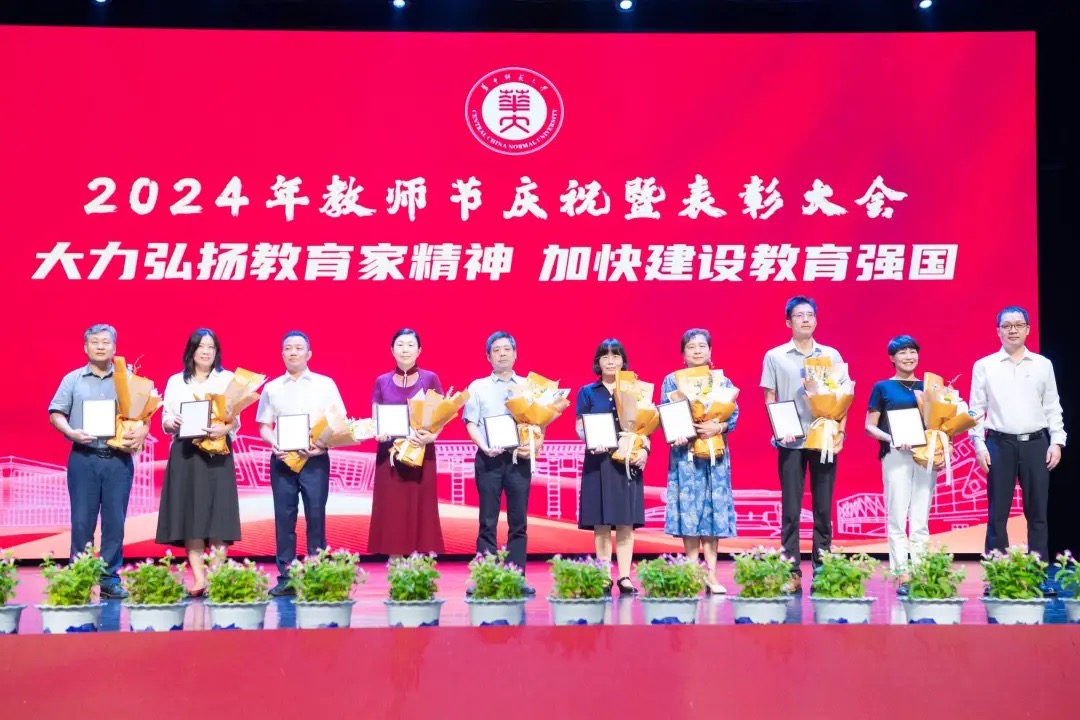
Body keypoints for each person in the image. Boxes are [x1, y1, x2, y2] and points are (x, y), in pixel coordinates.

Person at [48, 324, 149, 599]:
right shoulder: (73, 379)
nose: (101, 346)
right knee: (82, 521)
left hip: (118, 460)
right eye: (95, 342)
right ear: (86, 347)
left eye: (106, 342)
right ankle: (80, 579)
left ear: (115, 348)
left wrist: (142, 431)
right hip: (84, 458)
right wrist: (70, 432)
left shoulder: (129, 380)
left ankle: (109, 579)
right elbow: (56, 412)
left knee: (115, 523)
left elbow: (145, 416)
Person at [970, 306, 1065, 590]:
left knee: (1037, 514)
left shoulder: (1043, 364)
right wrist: (979, 445)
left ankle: (1039, 576)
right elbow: (976, 409)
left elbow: (1052, 406)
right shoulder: (984, 365)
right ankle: (997, 576)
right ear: (998, 331)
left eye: (1018, 324)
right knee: (997, 515)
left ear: (1028, 329)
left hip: (1036, 444)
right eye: (1007, 325)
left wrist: (1057, 441)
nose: (1013, 330)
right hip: (999, 444)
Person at [760, 296, 847, 590]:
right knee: (791, 509)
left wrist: (840, 432)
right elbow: (769, 397)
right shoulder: (775, 356)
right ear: (789, 322)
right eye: (799, 315)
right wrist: (779, 429)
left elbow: (843, 397)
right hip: (791, 441)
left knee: (823, 507)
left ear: (816, 320)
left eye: (810, 314)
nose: (806, 319)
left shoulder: (831, 355)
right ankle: (791, 570)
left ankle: (823, 569)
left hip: (823, 439)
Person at [256, 331, 346, 597]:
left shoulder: (325, 384)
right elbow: (264, 425)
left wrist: (322, 445)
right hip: (283, 460)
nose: (293, 352)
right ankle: (287, 576)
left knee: (316, 516)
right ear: (282, 354)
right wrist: (274, 443)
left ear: (309, 354)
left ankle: (318, 574)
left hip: (314, 459)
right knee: (284, 518)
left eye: (298, 348)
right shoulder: (272, 388)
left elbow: (339, 420)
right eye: (288, 348)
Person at [155, 329, 242, 596]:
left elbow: (235, 419)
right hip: (186, 453)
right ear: (191, 351)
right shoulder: (176, 381)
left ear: (217, 352)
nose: (206, 351)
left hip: (218, 452)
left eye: (211, 347)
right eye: (201, 346)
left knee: (219, 516)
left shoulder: (228, 379)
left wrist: (224, 429)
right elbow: (165, 419)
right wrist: (171, 422)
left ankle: (216, 578)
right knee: (190, 515)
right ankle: (199, 579)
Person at [662, 328, 737, 595]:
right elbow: (667, 413)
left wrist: (718, 427)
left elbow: (733, 416)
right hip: (686, 455)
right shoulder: (672, 381)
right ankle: (693, 570)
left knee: (713, 510)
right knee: (690, 510)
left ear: (710, 351)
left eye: (702, 346)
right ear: (683, 354)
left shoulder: (721, 381)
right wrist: (680, 432)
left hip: (715, 455)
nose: (697, 350)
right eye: (691, 346)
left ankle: (711, 573)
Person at [462, 331, 537, 596]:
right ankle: (487, 576)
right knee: (487, 520)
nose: (502, 354)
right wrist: (484, 446)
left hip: (519, 460)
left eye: (507, 349)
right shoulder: (477, 387)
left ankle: (516, 577)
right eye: (496, 350)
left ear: (515, 354)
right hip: (489, 459)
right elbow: (471, 422)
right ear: (488, 357)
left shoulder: (529, 386)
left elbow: (538, 423)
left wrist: (533, 445)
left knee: (519, 521)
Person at [575, 339, 647, 596]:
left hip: (626, 461)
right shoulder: (587, 392)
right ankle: (604, 575)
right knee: (601, 524)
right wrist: (590, 440)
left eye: (615, 356)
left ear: (623, 360)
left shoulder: (635, 389)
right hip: (598, 462)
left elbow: (645, 426)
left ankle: (625, 577)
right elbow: (580, 426)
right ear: (598, 362)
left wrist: (644, 450)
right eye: (604, 356)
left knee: (626, 522)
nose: (610, 361)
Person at [864, 335, 935, 593]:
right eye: (902, 352)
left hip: (924, 456)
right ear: (892, 358)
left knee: (920, 518)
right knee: (896, 516)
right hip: (895, 456)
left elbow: (940, 421)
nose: (909, 356)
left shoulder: (929, 386)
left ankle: (922, 571)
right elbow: (869, 426)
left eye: (912, 351)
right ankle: (901, 573)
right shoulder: (882, 387)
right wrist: (892, 439)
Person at [368, 328, 446, 557]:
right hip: (390, 455)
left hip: (420, 452)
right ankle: (395, 565)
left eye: (411, 345)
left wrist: (432, 436)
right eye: (400, 345)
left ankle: (419, 565)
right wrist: (377, 432)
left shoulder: (430, 378)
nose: (405, 349)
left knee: (421, 509)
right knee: (392, 511)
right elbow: (375, 417)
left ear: (419, 350)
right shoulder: (382, 381)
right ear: (392, 350)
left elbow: (440, 416)